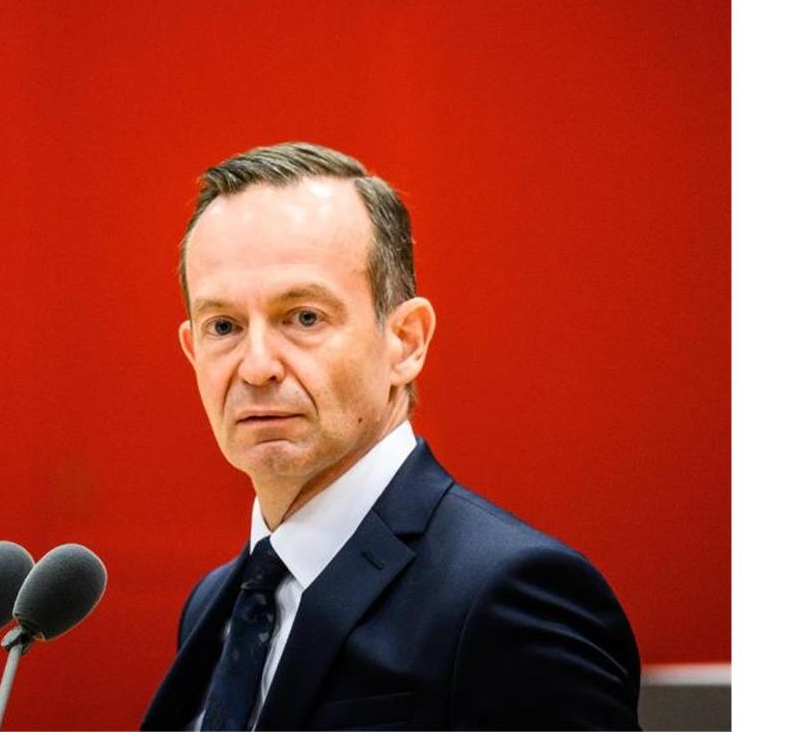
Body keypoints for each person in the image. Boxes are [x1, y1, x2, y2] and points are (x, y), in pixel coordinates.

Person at [141, 142, 641, 730]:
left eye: (304, 317)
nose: (256, 367)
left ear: (406, 341)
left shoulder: (508, 593)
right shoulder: (214, 603)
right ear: (192, 350)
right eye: (222, 326)